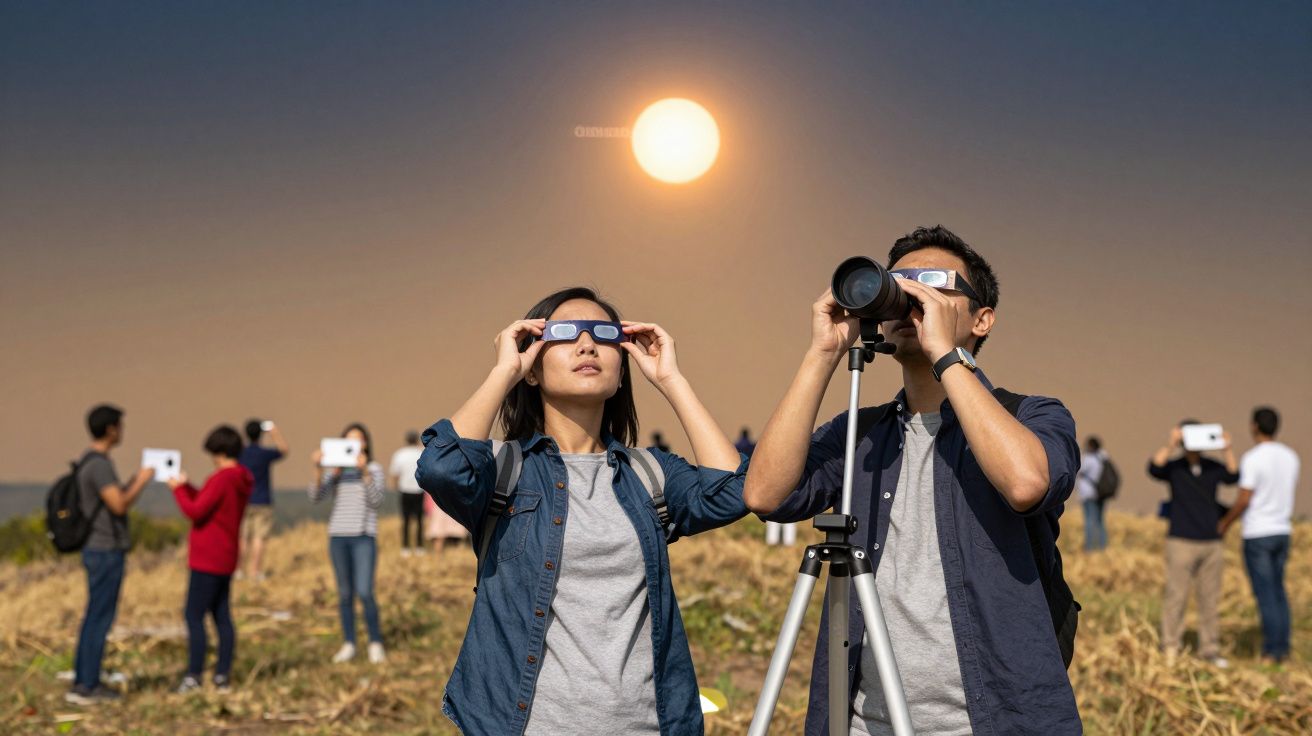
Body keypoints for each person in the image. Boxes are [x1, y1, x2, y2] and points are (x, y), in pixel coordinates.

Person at [744, 226, 1082, 735]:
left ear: (982, 319)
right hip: (865, 722)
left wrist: (946, 355)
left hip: (992, 720)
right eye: (900, 283)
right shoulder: (862, 430)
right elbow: (766, 494)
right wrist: (824, 353)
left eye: (934, 284)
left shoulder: (1035, 415)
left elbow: (1026, 483)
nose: (912, 299)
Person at [416, 287, 748, 735]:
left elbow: (732, 492)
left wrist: (672, 381)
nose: (587, 344)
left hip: (649, 725)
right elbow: (442, 469)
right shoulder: (505, 471)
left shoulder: (648, 473)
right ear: (532, 366)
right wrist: (503, 372)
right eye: (565, 333)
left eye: (604, 335)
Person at [66, 404, 155, 705]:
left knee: (93, 615)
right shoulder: (100, 465)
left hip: (96, 547)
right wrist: (141, 481)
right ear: (111, 429)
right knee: (100, 617)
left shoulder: (88, 461)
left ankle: (83, 678)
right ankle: (88, 685)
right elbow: (118, 505)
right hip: (105, 549)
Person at [168, 425, 254, 692]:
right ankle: (222, 675)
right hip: (227, 557)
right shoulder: (241, 478)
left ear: (219, 451)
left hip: (207, 558)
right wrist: (189, 486)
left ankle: (194, 675)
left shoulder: (222, 478)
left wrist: (178, 490)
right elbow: (209, 503)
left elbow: (195, 511)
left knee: (193, 615)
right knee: (222, 616)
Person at [1148, 420, 1239, 667]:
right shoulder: (1174, 467)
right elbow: (1154, 468)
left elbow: (1233, 476)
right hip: (1181, 540)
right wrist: (1171, 443)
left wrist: (1226, 447)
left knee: (1209, 598)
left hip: (1211, 542)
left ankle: (1209, 649)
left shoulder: (1212, 467)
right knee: (1176, 596)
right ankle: (1170, 647)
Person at [1218, 407, 1300, 663]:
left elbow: (1244, 498)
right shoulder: (1290, 457)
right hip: (1282, 530)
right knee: (1278, 590)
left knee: (1265, 593)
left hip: (1259, 532)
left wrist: (1225, 523)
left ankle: (1271, 650)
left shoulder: (1253, 458)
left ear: (1254, 426)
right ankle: (1283, 647)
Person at [310, 423, 386, 664]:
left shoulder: (374, 468)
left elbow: (377, 501)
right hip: (338, 536)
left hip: (364, 536)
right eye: (349, 440)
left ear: (366, 444)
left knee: (364, 592)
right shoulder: (337, 472)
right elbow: (315, 497)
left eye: (359, 440)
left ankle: (375, 643)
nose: (355, 445)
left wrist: (365, 473)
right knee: (344, 594)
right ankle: (349, 643)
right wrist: (319, 469)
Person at [238, 419, 288, 581]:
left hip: (243, 501)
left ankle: (239, 570)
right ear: (261, 434)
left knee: (243, 537)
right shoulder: (264, 454)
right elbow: (284, 450)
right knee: (259, 538)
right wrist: (274, 432)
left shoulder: (241, 453)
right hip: (262, 500)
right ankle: (255, 572)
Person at [388, 430, 427, 557]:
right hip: (419, 490)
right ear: (416, 440)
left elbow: (394, 474)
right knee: (420, 520)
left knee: (406, 520)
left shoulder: (400, 454)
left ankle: (405, 547)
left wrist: (395, 487)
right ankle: (419, 547)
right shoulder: (421, 452)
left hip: (405, 490)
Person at [1077, 436, 1109, 551]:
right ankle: (1102, 546)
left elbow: (1078, 469)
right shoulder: (1103, 457)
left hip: (1089, 494)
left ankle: (1089, 547)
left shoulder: (1088, 459)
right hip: (1101, 493)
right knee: (1100, 520)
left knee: (1089, 520)